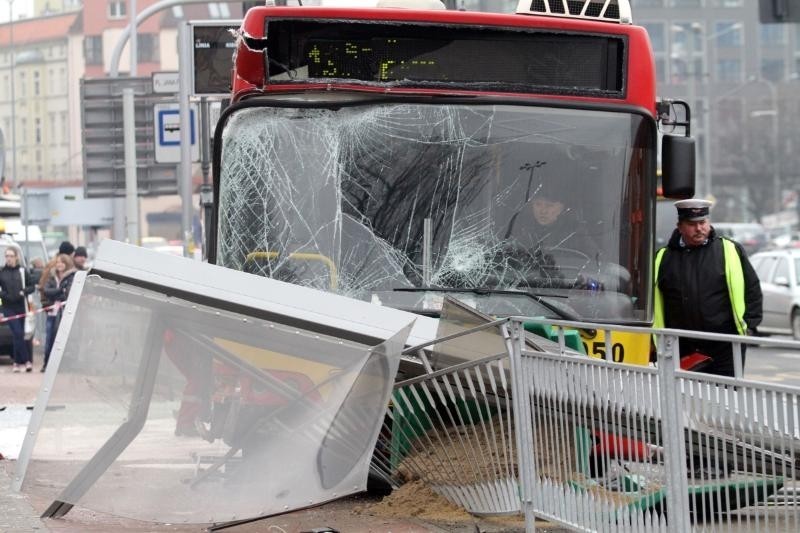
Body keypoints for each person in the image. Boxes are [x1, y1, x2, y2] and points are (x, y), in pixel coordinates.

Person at [653, 199, 763, 377]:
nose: (699, 229)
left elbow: (752, 289)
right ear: (680, 227)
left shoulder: (729, 250)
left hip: (725, 345)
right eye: (692, 224)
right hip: (681, 346)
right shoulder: (662, 258)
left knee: (726, 398)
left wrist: (749, 327)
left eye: (703, 222)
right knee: (686, 399)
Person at [0, 248, 34, 372]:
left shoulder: (22, 271)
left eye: (11, 256)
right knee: (18, 332)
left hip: (21, 306)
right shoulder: (2, 272)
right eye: (7, 256)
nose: (8, 258)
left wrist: (23, 292)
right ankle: (26, 360)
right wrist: (4, 295)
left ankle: (16, 363)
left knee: (17, 336)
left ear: (16, 257)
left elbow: (31, 286)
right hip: (8, 307)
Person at [42, 253, 77, 372]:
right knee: (49, 339)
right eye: (57, 262)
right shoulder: (51, 276)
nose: (59, 264)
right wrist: (59, 291)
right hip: (52, 312)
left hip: (64, 312)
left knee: (62, 339)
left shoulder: (71, 276)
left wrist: (57, 293)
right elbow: (46, 291)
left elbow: (68, 293)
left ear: (66, 263)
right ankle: (46, 364)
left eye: (62, 262)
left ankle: (60, 365)